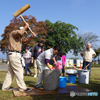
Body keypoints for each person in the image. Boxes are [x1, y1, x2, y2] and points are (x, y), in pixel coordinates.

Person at [2, 23, 36, 91]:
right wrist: (26, 27)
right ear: (21, 30)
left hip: (15, 55)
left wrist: (31, 37)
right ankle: (22, 87)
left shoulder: (19, 38)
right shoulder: (13, 33)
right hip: (14, 54)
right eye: (24, 33)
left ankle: (5, 87)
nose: (23, 35)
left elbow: (25, 41)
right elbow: (20, 32)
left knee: (10, 72)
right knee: (19, 70)